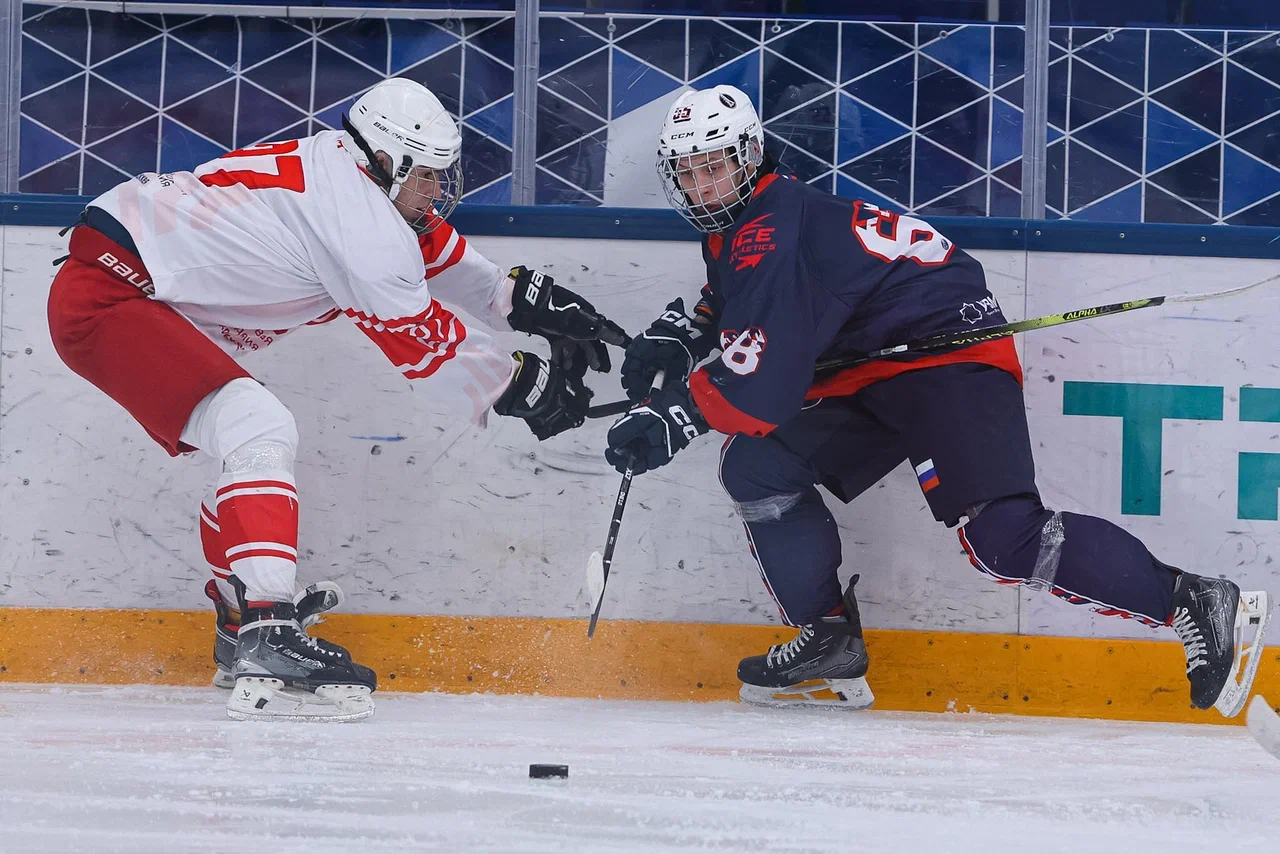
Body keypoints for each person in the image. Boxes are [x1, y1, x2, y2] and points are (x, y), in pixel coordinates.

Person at [605, 84, 1271, 715]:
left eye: (713, 167)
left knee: (1002, 538)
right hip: (881, 367)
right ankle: (829, 640)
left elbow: (764, 382)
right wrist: (687, 333)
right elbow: (738, 296)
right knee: (758, 467)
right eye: (687, 172)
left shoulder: (768, 227)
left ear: (750, 155)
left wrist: (676, 414)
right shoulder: (750, 220)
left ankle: (1193, 598)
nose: (701, 186)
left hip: (946, 355)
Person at [47, 77, 623, 721]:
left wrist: (535, 305)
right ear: (387, 161)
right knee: (257, 426)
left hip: (136, 289)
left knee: (244, 443)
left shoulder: (351, 172)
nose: (437, 190)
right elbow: (421, 342)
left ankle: (241, 618)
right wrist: (521, 386)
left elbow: (446, 263)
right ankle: (266, 630)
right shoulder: (360, 223)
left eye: (441, 174)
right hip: (110, 300)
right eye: (426, 176)